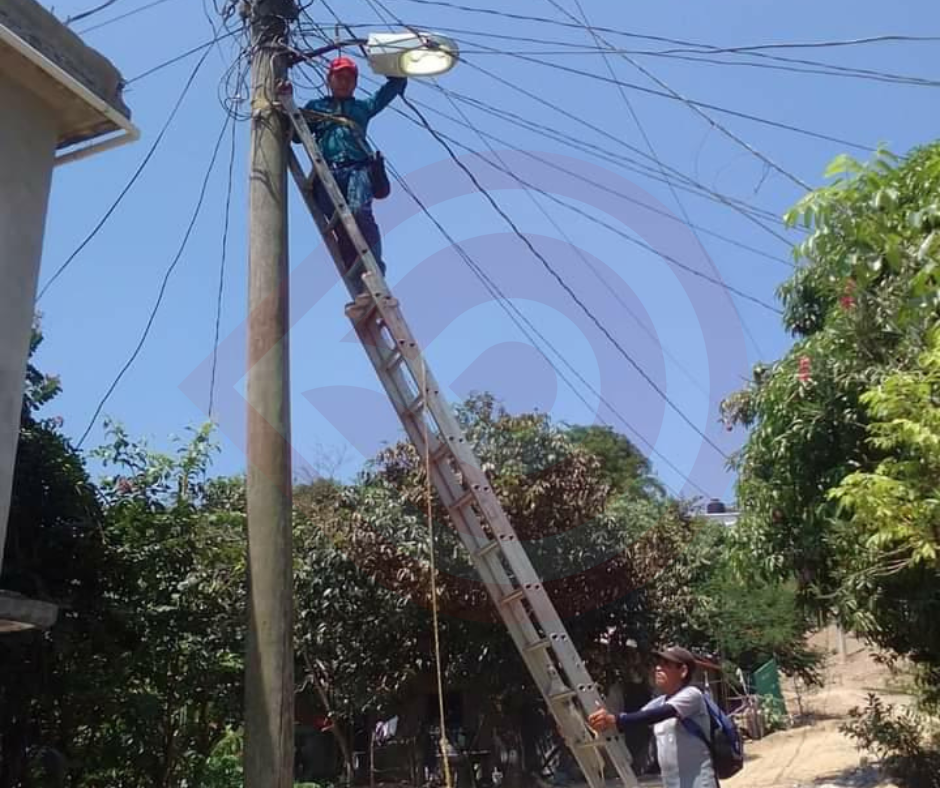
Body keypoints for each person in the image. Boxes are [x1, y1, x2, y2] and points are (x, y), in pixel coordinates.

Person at [303, 56, 406, 295]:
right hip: (327, 173)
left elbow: (393, 87)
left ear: (355, 83)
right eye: (339, 77)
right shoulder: (316, 107)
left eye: (349, 78)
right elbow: (297, 135)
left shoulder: (362, 108)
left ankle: (375, 272)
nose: (344, 82)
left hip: (357, 168)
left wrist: (384, 62)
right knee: (342, 227)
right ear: (329, 80)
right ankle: (360, 285)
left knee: (359, 212)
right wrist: (284, 97)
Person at [588, 646, 718, 788]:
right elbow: (636, 718)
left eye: (665, 665)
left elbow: (654, 715)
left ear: (683, 671)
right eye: (658, 664)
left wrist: (615, 720)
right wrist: (605, 722)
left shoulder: (692, 695)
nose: (657, 668)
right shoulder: (660, 701)